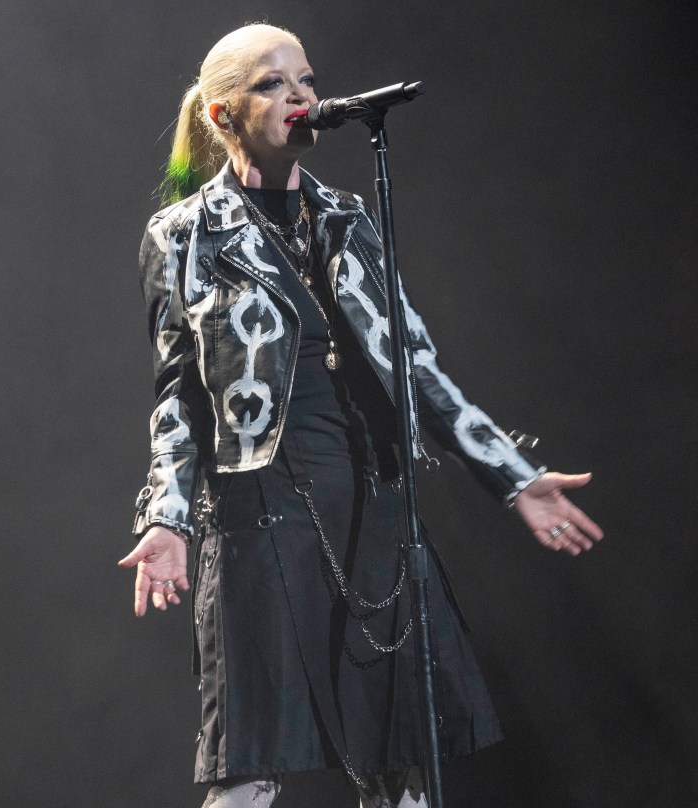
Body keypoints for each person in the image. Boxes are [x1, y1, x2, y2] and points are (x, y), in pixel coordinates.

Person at [117, 23, 603, 808]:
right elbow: (177, 393)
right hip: (261, 515)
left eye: (306, 78)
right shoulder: (184, 235)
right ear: (221, 115)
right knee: (248, 771)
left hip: (370, 508)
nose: (301, 95)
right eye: (273, 83)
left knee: (400, 763)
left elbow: (415, 367)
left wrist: (511, 475)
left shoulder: (348, 217)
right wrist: (167, 519)